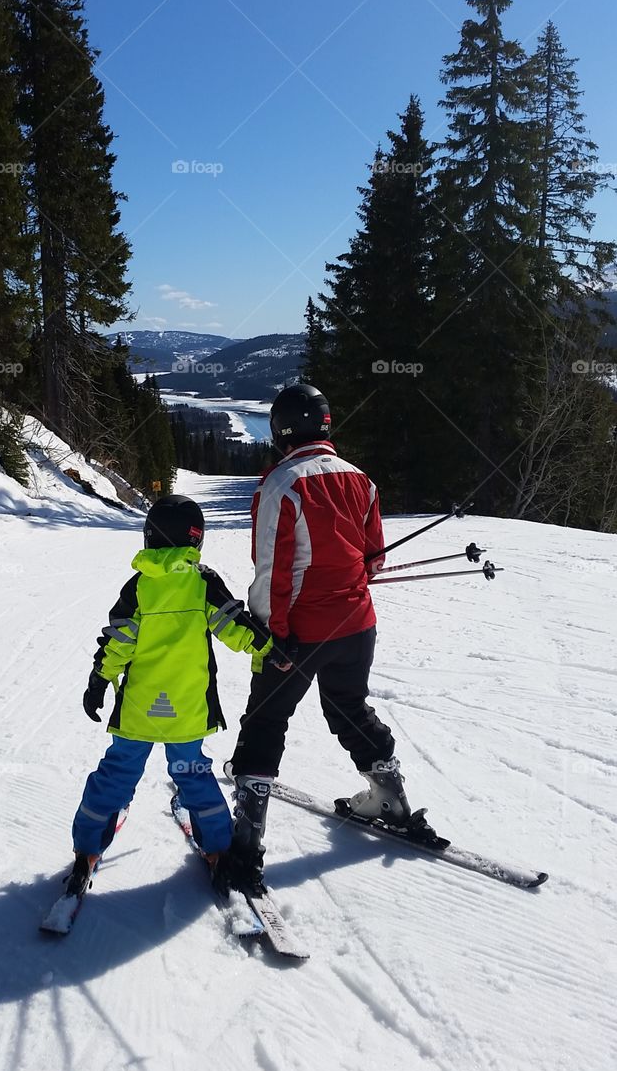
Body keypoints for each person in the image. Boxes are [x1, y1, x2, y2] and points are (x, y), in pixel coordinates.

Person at [220, 383, 422, 896]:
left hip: (299, 631)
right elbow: (374, 560)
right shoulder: (361, 480)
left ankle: (246, 840)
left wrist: (269, 634)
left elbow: (273, 570)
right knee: (350, 706)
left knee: (266, 719)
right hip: (356, 624)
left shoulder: (280, 485)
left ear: (280, 429)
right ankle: (389, 795)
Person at [66, 494, 274, 898]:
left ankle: (86, 849)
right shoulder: (203, 582)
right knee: (194, 775)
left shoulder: (139, 587)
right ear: (196, 541)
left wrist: (98, 681)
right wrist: (270, 649)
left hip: (139, 711)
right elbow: (236, 629)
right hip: (187, 711)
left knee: (116, 774)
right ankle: (218, 849)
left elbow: (117, 643)